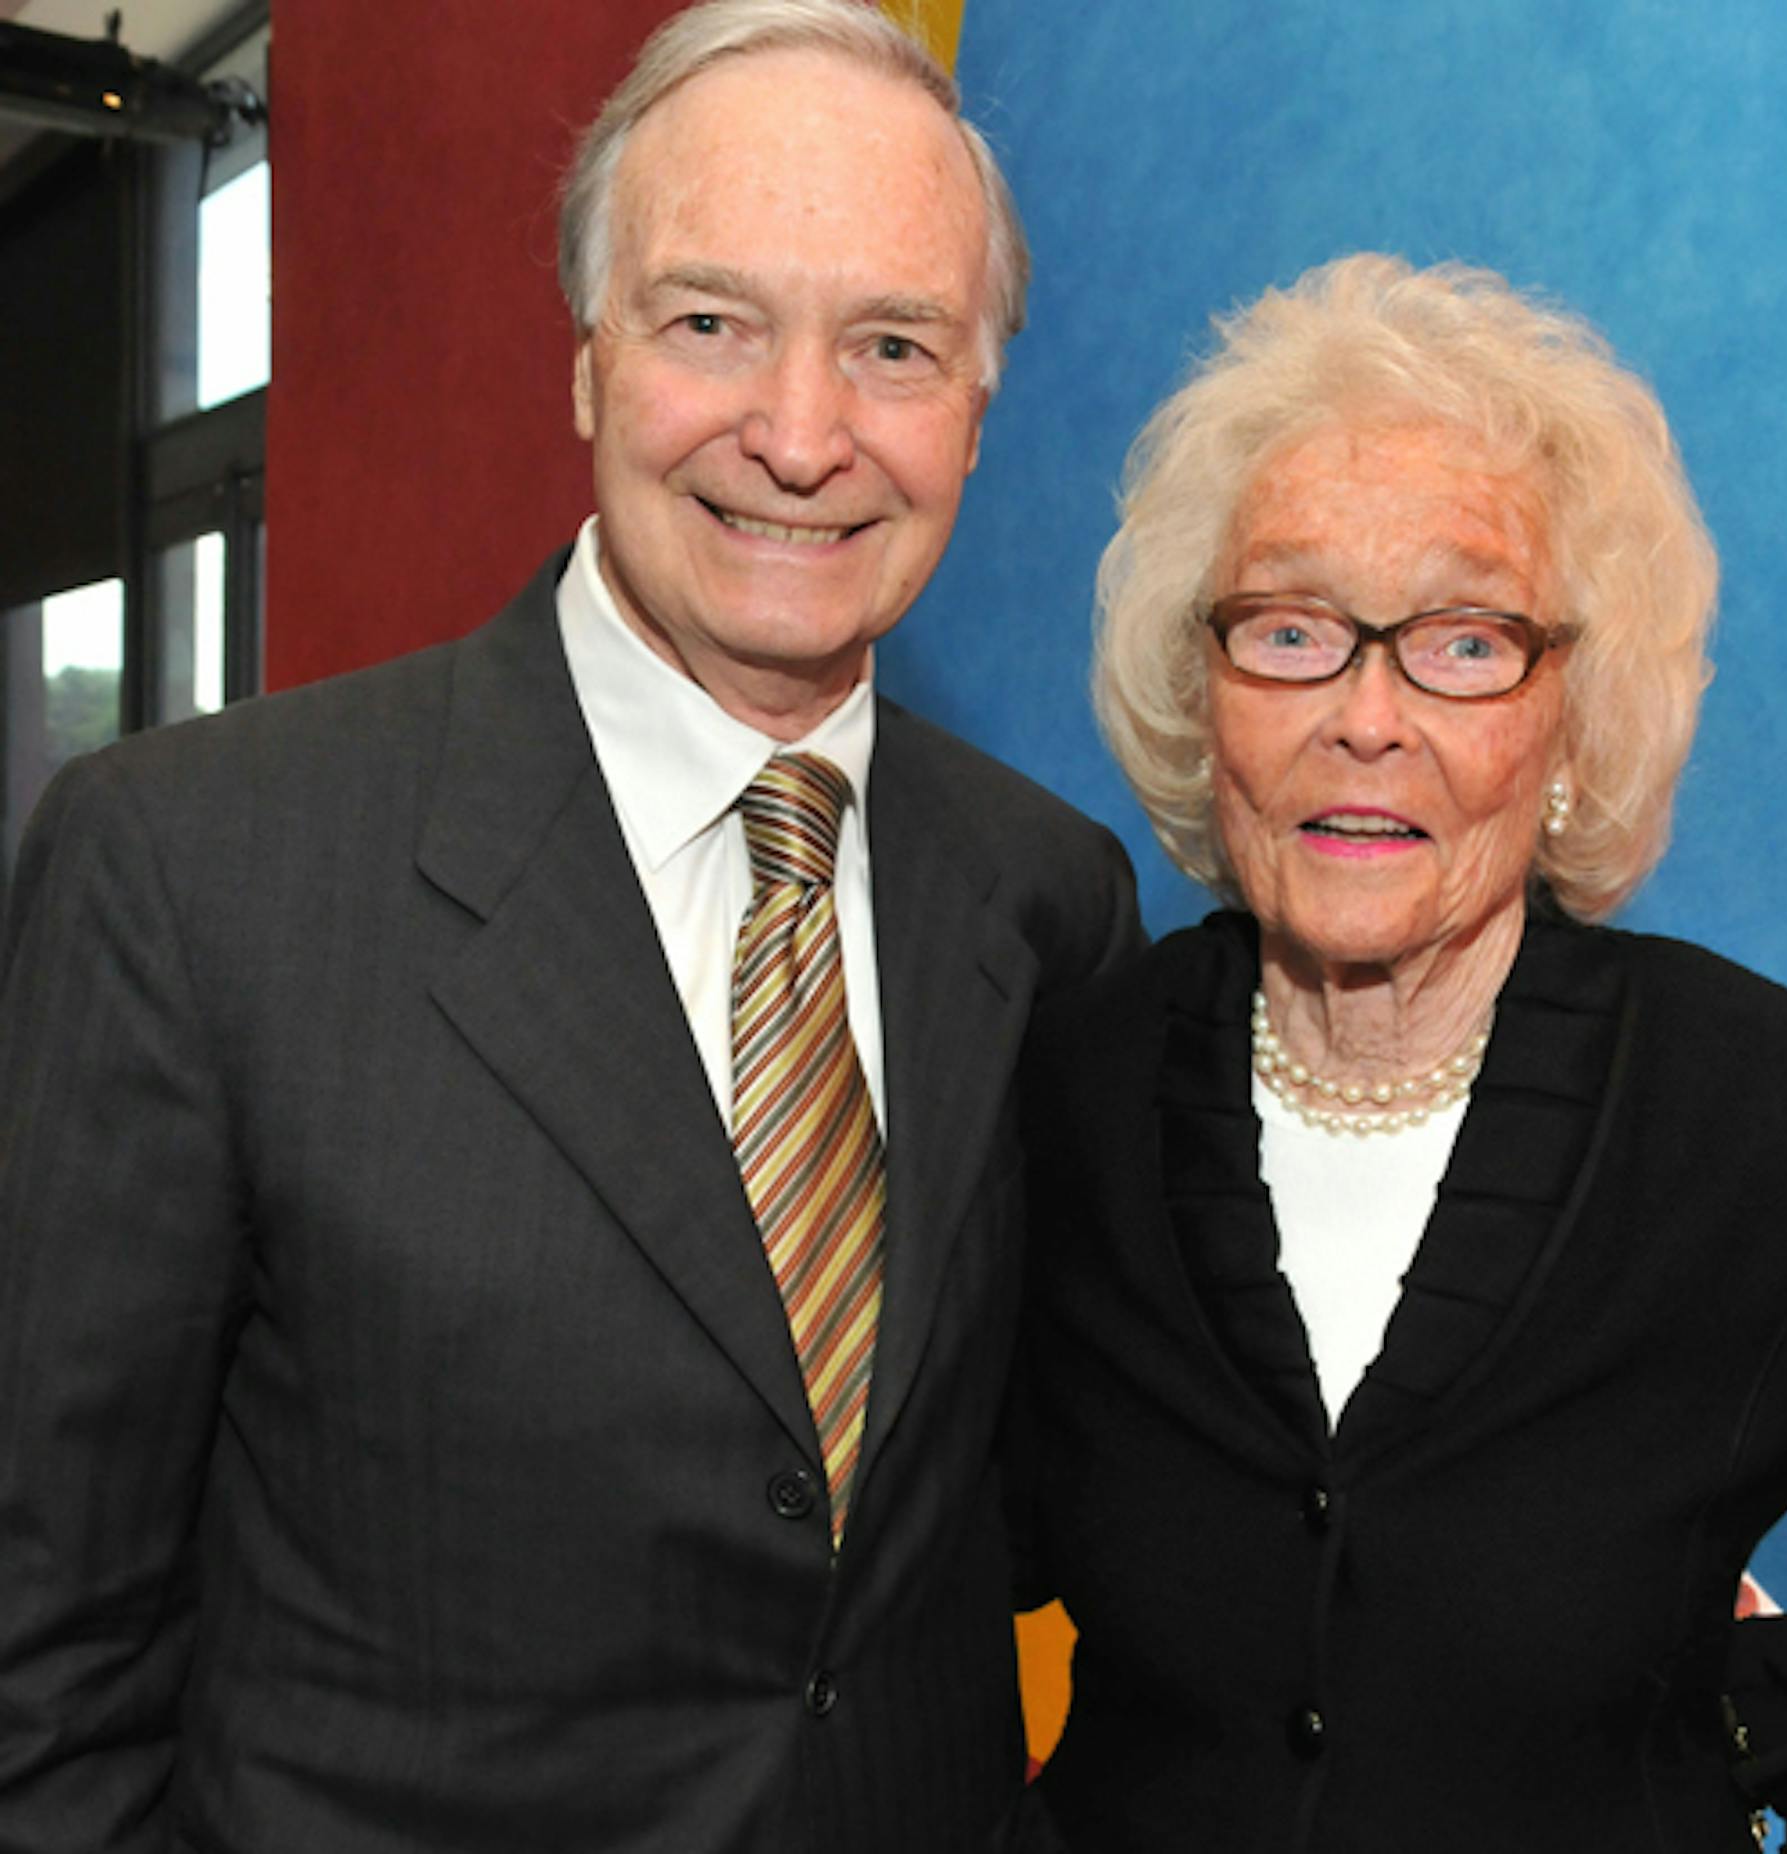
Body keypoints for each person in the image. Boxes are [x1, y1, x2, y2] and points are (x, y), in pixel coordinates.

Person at [0, 4, 1141, 1849]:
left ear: (978, 408)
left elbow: (1041, 1498)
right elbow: (44, 1656)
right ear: (592, 363)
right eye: (711, 323)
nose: (801, 434)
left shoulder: (1050, 897)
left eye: (893, 346)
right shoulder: (189, 873)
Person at [1011, 254, 1787, 1851]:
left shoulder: (1779, 1122)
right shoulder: (1065, 1085)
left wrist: (1739, 1720)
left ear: (1573, 718)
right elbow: (907, 1568)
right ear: (1207, 698)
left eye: (1465, 643)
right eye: (1289, 628)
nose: (1366, 716)